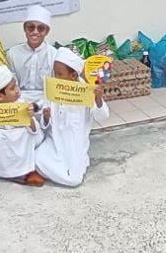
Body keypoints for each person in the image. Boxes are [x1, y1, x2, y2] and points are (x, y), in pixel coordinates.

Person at [34, 47, 110, 187]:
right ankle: (50, 171)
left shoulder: (87, 91)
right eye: (55, 73)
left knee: (74, 180)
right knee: (36, 158)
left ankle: (53, 173)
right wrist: (46, 117)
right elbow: (45, 120)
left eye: (60, 74)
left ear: (73, 75)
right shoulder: (53, 88)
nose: (56, 77)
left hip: (75, 145)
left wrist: (98, 99)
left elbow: (103, 117)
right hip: (55, 141)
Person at [0, 66, 44, 186]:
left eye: (16, 86)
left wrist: (29, 118)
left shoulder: (21, 103)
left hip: (21, 141)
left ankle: (25, 170)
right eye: (13, 88)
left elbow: (35, 130)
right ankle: (7, 172)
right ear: (0, 96)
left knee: (27, 134)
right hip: (2, 143)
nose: (18, 90)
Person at [7, 4, 56, 102]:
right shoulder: (12, 53)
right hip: (19, 100)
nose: (35, 32)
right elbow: (11, 85)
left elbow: (55, 88)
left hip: (47, 100)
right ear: (24, 29)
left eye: (41, 28)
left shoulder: (55, 55)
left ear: (47, 31)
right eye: (31, 27)